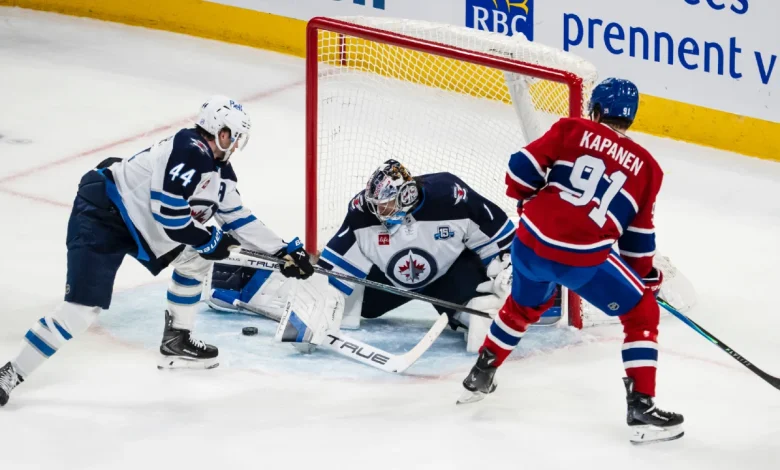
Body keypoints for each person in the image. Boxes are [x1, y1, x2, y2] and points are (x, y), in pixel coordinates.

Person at [0, 96, 314, 407]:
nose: (235, 145)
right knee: (80, 311)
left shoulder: (220, 173)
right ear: (221, 132)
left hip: (144, 227)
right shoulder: (189, 149)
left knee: (195, 262)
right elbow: (170, 215)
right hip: (103, 216)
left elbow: (237, 218)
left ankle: (177, 340)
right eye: (233, 137)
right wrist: (207, 241)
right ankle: (11, 374)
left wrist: (282, 251)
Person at [459, 78, 684, 444]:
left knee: (523, 306)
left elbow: (519, 168)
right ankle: (641, 407)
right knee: (642, 312)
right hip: (580, 260)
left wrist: (527, 199)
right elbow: (638, 242)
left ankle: (481, 373)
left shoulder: (571, 128)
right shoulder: (647, 168)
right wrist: (645, 278)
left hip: (528, 243)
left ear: (595, 110)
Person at [205, 160, 526, 352]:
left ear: (406, 195)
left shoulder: (451, 195)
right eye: (376, 205)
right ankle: (241, 283)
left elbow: (500, 239)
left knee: (483, 311)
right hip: (389, 281)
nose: (378, 211)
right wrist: (314, 311)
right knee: (355, 307)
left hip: (451, 274)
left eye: (385, 205)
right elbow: (331, 270)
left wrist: (506, 272)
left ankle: (529, 302)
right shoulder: (363, 213)